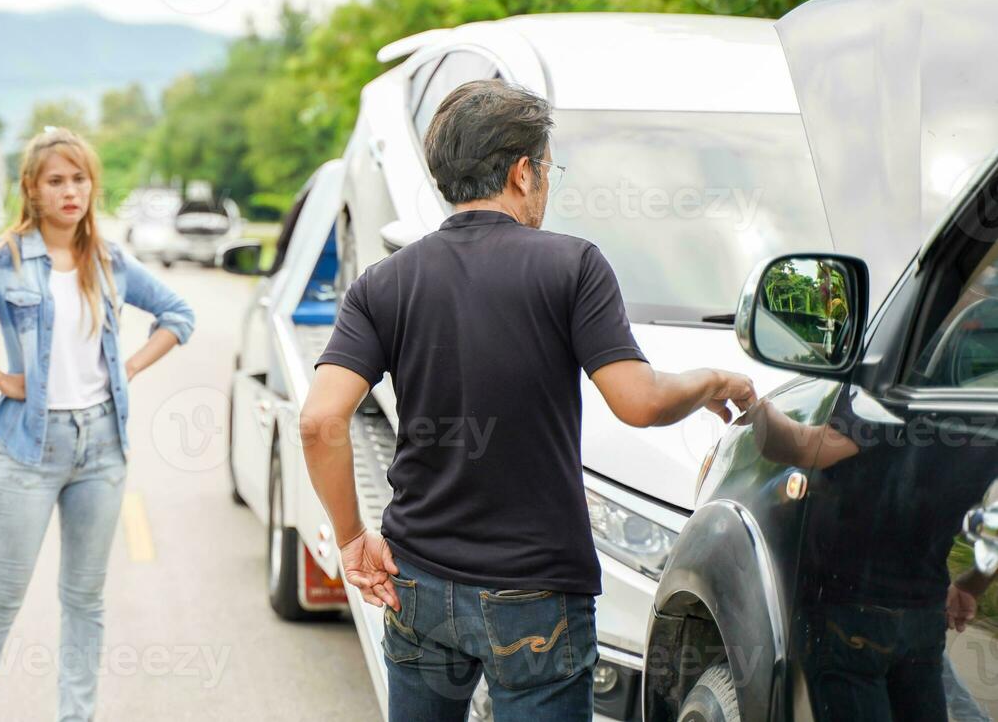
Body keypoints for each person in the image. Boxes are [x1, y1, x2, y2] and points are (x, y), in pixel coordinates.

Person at [299, 79, 757, 721]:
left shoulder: (384, 282)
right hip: (538, 594)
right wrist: (717, 381)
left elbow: (321, 421)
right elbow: (640, 402)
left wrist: (351, 539)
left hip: (418, 580)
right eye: (548, 169)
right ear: (522, 172)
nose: (547, 183)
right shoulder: (572, 266)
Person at [0, 127, 195, 722]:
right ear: (32, 190)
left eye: (80, 179)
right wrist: (0, 378)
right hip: (27, 451)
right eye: (56, 181)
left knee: (84, 601)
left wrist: (130, 368)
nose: (71, 192)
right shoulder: (3, 257)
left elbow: (178, 313)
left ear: (92, 185)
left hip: (102, 447)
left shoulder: (109, 260)